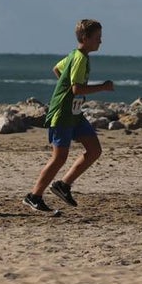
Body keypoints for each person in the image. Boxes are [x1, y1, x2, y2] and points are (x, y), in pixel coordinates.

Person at [23, 19, 114, 213]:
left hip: (75, 113)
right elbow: (76, 89)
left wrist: (67, 88)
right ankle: (34, 196)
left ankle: (63, 185)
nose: (100, 41)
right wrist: (103, 87)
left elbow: (57, 68)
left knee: (94, 150)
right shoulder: (78, 58)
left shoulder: (78, 56)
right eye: (97, 37)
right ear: (85, 38)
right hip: (62, 113)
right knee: (59, 158)